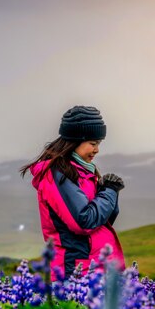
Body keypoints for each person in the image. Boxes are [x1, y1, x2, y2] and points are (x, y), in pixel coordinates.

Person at [20, 105, 126, 281]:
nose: (97, 149)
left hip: (97, 269)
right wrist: (109, 192)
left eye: (98, 143)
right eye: (93, 143)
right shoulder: (57, 174)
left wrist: (110, 191)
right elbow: (84, 221)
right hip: (77, 273)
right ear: (75, 141)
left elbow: (103, 221)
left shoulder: (83, 172)